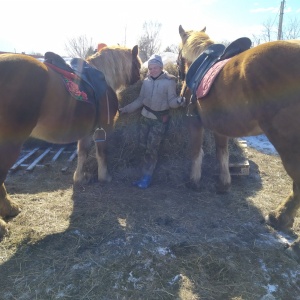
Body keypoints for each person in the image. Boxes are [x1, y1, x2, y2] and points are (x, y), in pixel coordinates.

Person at [119, 54, 186, 189]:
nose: (152, 70)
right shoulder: (147, 81)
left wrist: (179, 102)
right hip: (145, 119)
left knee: (152, 149)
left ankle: (147, 177)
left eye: (155, 67)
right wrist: (125, 109)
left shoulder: (169, 82)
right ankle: (142, 174)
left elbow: (171, 102)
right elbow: (140, 100)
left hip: (158, 121)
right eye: (150, 68)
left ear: (161, 67)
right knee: (143, 146)